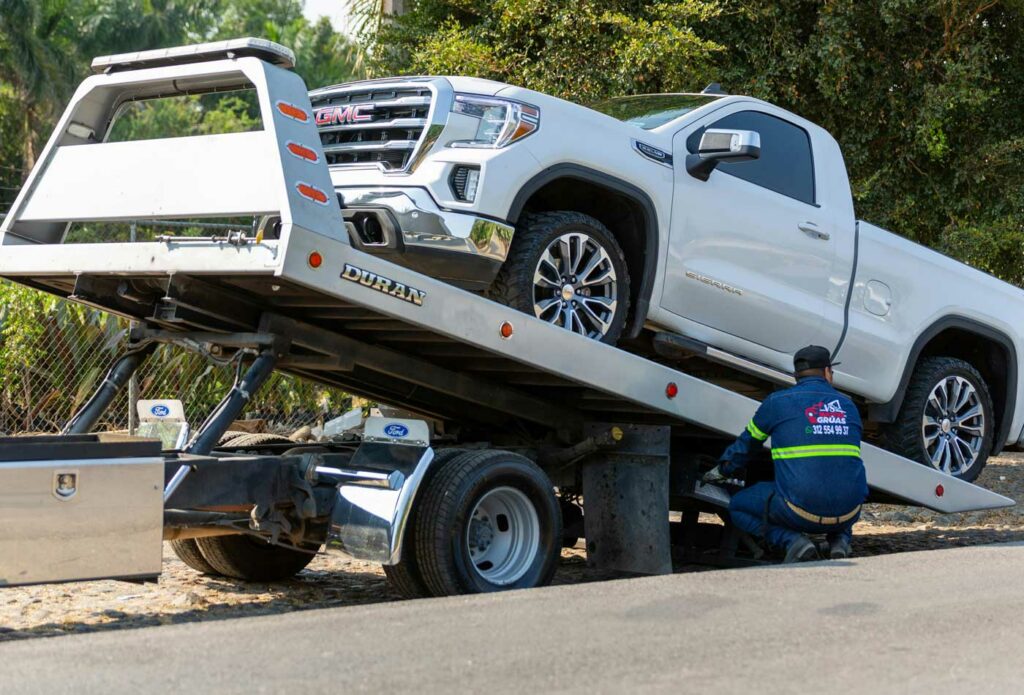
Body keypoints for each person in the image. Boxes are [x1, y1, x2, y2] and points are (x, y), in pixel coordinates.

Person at [703, 345, 869, 562]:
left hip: (799, 513)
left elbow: (746, 446)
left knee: (738, 507)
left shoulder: (777, 403)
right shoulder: (849, 406)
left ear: (795, 376)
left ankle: (792, 541)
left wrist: (721, 470)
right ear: (828, 372)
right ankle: (840, 541)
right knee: (838, 485)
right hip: (851, 512)